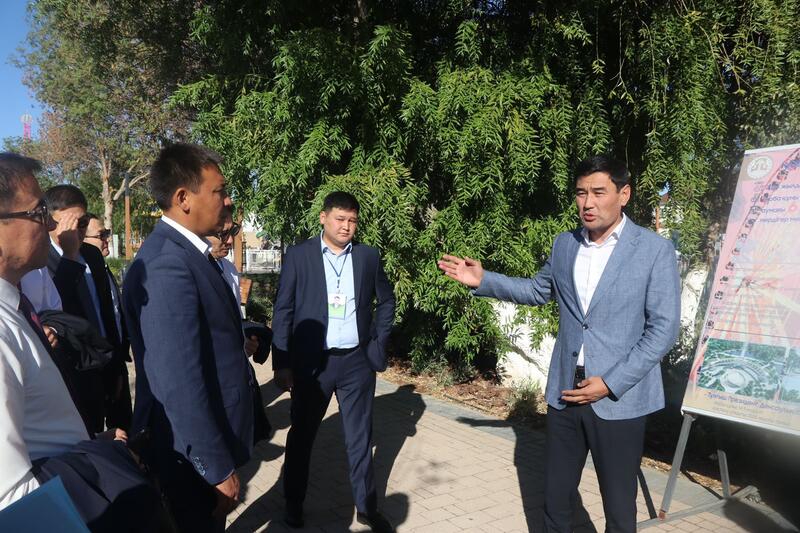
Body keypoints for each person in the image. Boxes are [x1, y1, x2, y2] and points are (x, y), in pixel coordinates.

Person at [438, 155, 681, 533]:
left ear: (624, 195)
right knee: (555, 499)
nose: (588, 203)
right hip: (566, 390)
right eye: (581, 193)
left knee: (619, 509)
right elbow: (538, 291)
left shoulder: (653, 250)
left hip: (618, 398)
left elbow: (663, 330)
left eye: (598, 192)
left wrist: (610, 382)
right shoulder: (565, 244)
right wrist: (484, 280)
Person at [0, 152, 160, 531]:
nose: (51, 224)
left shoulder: (14, 307)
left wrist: (90, 446)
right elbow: (12, 499)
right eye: (39, 212)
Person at [123, 143, 254, 532]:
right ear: (183, 198)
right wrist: (215, 467)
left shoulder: (189, 254)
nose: (227, 200)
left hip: (208, 439)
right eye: (219, 191)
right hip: (189, 456)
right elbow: (178, 381)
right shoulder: (168, 263)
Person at [271, 191, 396, 532]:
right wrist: (282, 363)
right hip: (315, 365)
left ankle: (367, 507)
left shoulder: (368, 257)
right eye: (340, 219)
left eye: (352, 220)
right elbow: (283, 310)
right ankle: (294, 503)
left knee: (360, 438)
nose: (346, 226)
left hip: (357, 362)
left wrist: (378, 341)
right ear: (323, 218)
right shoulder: (300, 256)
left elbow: (386, 301)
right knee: (302, 436)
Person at [82, 213, 132, 431]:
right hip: (96, 369)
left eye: (107, 233)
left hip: (116, 364)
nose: (107, 239)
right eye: (101, 235)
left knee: (124, 428)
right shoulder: (82, 277)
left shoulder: (103, 270)